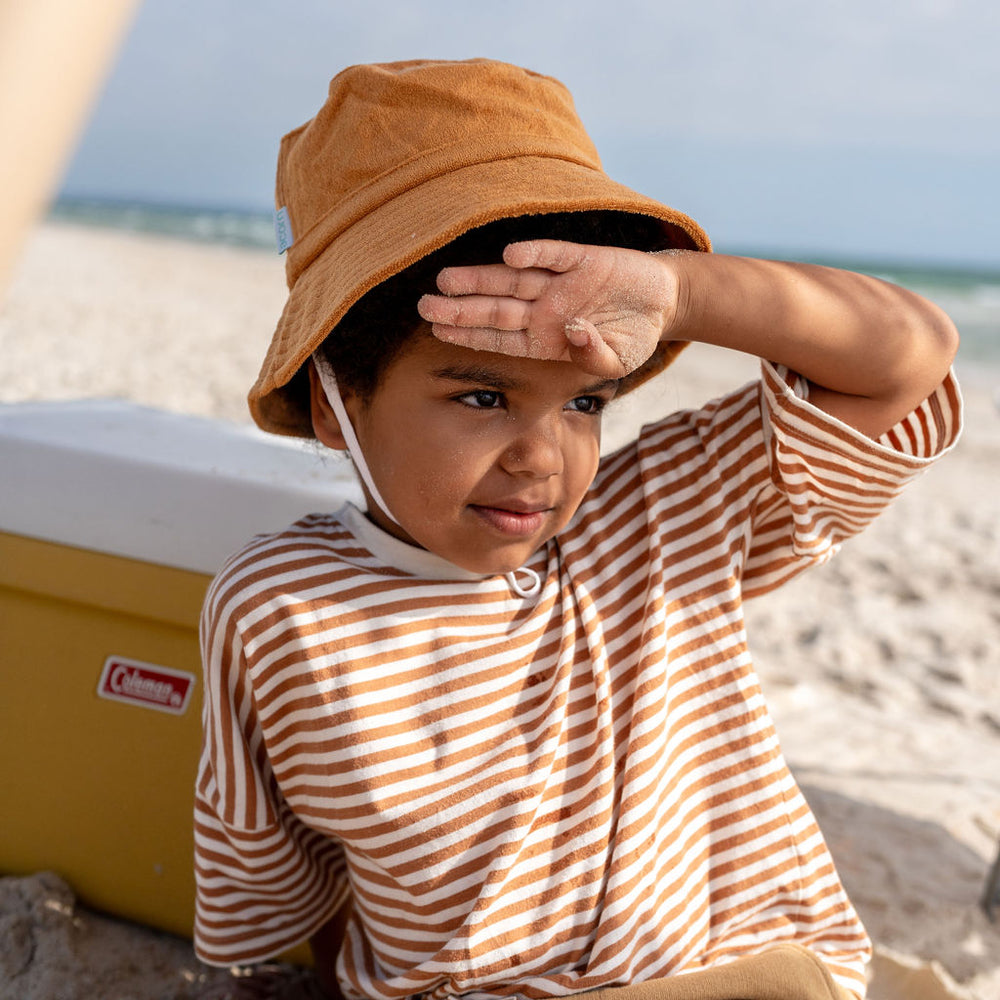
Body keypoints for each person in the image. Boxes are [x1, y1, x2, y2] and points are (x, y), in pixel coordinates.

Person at [192, 59, 961, 1000]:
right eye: (483, 395)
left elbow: (908, 358)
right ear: (332, 403)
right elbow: (273, 878)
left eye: (588, 402)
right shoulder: (279, 606)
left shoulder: (666, 516)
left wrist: (681, 297)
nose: (542, 457)